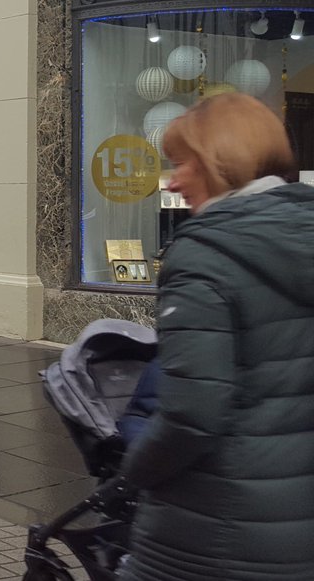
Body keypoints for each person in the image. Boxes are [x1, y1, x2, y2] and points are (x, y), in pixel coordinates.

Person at [119, 93, 314, 581]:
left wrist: (131, 475)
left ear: (222, 160)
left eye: (184, 163)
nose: (174, 180)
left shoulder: (205, 254)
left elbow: (191, 415)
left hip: (214, 529)